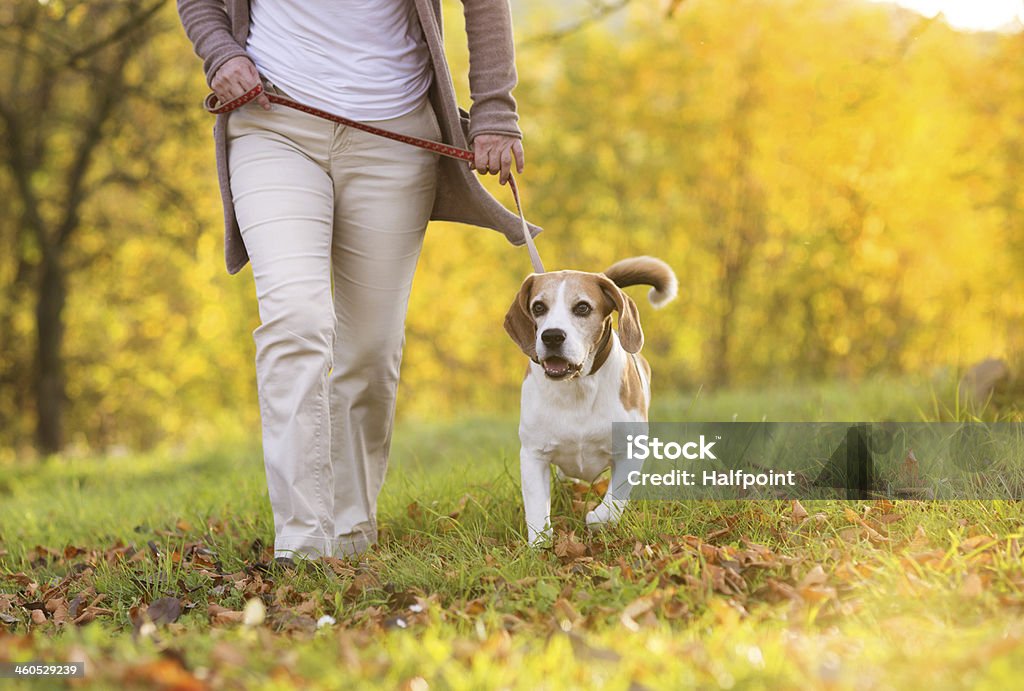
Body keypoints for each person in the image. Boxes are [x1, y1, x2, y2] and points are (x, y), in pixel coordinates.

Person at [176, 0, 539, 562]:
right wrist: (220, 52)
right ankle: (302, 542)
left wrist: (494, 111)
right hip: (274, 124)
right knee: (296, 319)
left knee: (369, 351)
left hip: (393, 140)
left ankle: (349, 535)